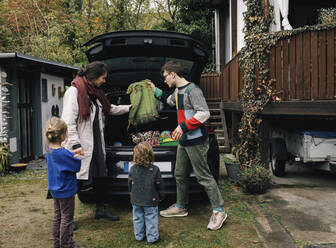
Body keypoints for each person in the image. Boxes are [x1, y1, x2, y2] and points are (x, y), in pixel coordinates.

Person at [147, 61, 227, 230]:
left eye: (165, 76)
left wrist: (182, 126)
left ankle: (219, 211)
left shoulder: (193, 90)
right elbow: (168, 100)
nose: (165, 80)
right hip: (184, 141)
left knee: (203, 176)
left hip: (196, 140)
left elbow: (204, 113)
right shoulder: (177, 91)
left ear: (173, 74)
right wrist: (154, 89)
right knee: (180, 174)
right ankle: (181, 206)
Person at [62, 61, 131, 221]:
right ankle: (67, 219)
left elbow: (110, 109)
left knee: (101, 177)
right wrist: (75, 144)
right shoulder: (74, 91)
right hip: (79, 146)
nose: (105, 81)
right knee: (76, 182)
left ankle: (101, 209)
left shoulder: (95, 93)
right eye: (103, 78)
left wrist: (129, 108)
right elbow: (67, 122)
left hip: (96, 144)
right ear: (94, 77)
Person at [45, 117, 81, 248]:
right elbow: (76, 166)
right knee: (67, 218)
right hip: (66, 191)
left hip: (55, 190)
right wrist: (77, 156)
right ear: (62, 136)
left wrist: (72, 154)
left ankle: (57, 243)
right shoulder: (64, 153)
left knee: (57, 216)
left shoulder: (49, 151)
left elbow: (63, 159)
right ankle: (66, 244)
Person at [128, 141, 164, 244]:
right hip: (150, 199)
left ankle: (139, 236)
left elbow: (130, 184)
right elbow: (159, 184)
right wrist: (161, 195)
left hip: (136, 199)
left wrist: (131, 194)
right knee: (151, 217)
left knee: (137, 217)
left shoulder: (132, 169)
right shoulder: (155, 169)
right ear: (150, 154)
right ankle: (152, 238)